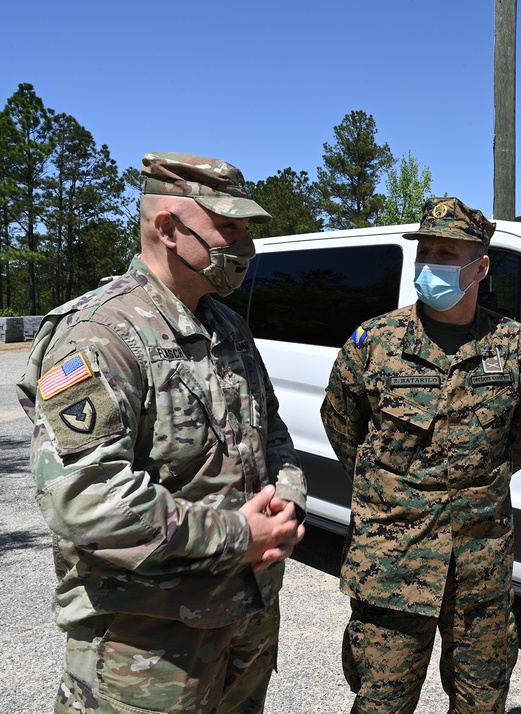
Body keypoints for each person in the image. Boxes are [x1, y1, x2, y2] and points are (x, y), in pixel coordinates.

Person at [16, 152, 307, 713]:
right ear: (168, 228)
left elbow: (273, 435)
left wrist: (287, 499)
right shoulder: (98, 332)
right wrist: (239, 536)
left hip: (244, 620)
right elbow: (86, 499)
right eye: (228, 227)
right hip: (146, 645)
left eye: (247, 229)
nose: (243, 244)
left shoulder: (228, 327)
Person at [320, 196, 521, 713]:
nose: (431, 265)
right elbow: (343, 428)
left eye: (447, 253)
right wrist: (397, 497)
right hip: (393, 564)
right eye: (426, 253)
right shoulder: (373, 343)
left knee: (481, 701)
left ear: (481, 267)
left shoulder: (516, 348)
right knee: (382, 702)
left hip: (480, 565)